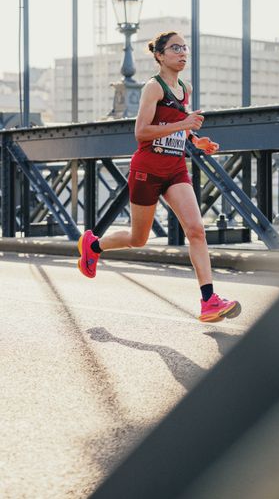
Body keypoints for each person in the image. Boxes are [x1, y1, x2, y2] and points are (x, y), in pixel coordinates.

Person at [77, 31, 241, 323]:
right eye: (175, 48)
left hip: (175, 168)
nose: (182, 52)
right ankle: (93, 245)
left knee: (196, 230)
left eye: (184, 47)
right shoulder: (153, 88)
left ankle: (208, 301)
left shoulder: (184, 88)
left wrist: (195, 139)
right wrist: (186, 122)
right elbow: (141, 132)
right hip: (147, 170)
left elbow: (177, 122)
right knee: (138, 238)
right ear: (160, 55)